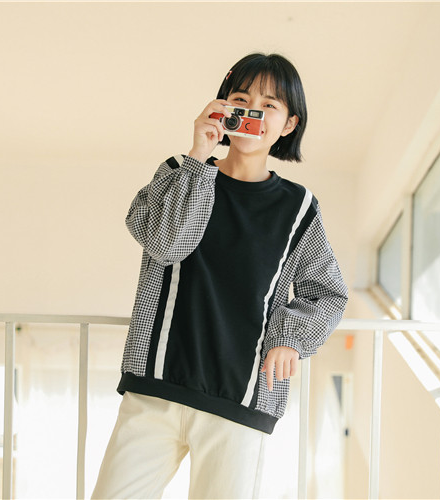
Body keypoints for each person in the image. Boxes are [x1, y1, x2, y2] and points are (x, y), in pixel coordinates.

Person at [91, 52, 348, 499]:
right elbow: (167, 244)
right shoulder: (179, 173)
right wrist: (198, 156)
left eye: (269, 105)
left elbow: (326, 292)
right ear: (223, 106)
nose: (253, 112)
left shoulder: (298, 207)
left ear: (289, 123)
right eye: (241, 99)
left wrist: (291, 338)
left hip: (239, 399)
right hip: (155, 389)